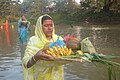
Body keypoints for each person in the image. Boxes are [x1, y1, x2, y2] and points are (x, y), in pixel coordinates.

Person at [22, 14, 68, 80]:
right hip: (40, 77)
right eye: (46, 26)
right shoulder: (33, 41)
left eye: (51, 25)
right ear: (40, 27)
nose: (49, 28)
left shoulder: (59, 39)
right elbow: (26, 64)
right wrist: (36, 57)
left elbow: (67, 55)